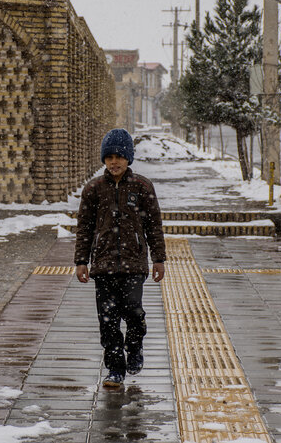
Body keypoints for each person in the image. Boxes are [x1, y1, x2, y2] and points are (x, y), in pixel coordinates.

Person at [74, 128, 166, 388]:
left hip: (134, 265)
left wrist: (158, 258)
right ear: (103, 159)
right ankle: (115, 369)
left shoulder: (142, 186)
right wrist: (81, 261)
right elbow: (84, 228)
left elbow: (154, 226)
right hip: (102, 266)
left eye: (119, 156)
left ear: (129, 159)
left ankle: (134, 348)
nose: (114, 162)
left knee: (134, 314)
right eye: (109, 157)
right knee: (108, 321)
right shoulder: (93, 189)